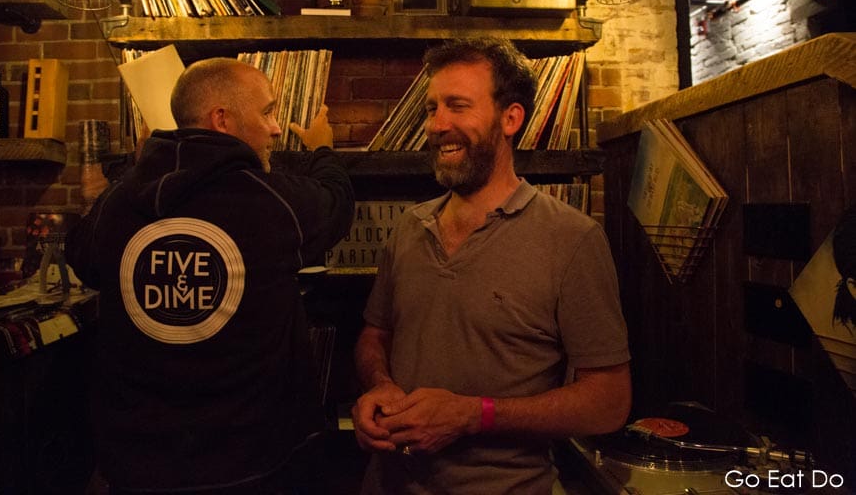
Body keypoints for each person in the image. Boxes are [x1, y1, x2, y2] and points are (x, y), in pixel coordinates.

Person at [352, 37, 632, 494]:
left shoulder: (571, 239)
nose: (437, 125)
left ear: (511, 118)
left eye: (457, 106)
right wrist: (378, 386)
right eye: (431, 108)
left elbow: (609, 402)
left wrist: (472, 415)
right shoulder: (409, 227)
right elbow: (374, 335)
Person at [66, 58, 355, 494]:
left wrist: (133, 169)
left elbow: (81, 257)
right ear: (222, 119)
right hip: (253, 464)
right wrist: (322, 151)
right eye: (268, 112)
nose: (277, 128)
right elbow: (336, 205)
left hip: (138, 465)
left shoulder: (119, 201)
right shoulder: (269, 200)